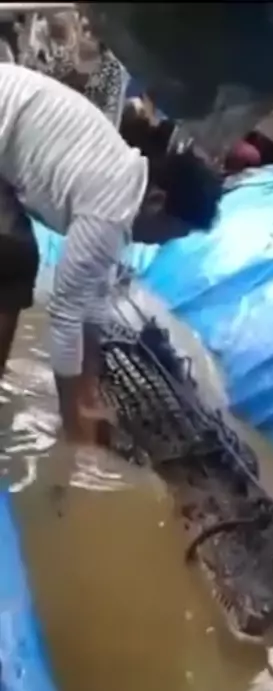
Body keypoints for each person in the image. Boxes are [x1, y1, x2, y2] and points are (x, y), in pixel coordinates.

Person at [0, 62, 222, 444]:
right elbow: (65, 315)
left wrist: (88, 390)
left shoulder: (125, 184)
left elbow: (94, 299)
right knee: (13, 260)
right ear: (157, 201)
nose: (162, 244)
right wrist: (74, 424)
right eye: (172, 232)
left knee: (14, 262)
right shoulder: (111, 210)